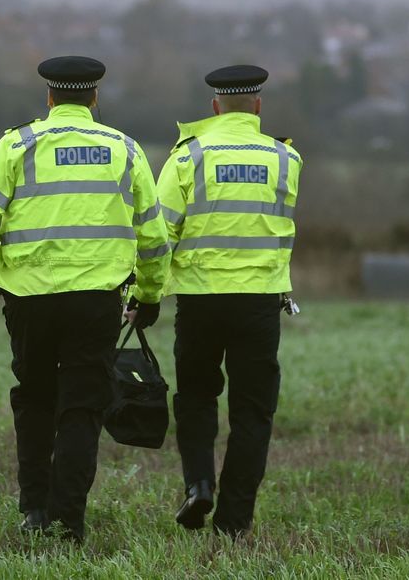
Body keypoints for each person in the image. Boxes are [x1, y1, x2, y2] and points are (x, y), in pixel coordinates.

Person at [0, 56, 170, 542]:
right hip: (97, 300)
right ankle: (68, 520)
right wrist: (150, 293)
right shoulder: (125, 148)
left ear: (49, 98)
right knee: (82, 406)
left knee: (34, 399)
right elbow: (154, 236)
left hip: (29, 297)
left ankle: (34, 508)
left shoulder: (18, 144)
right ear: (94, 99)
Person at [155, 65, 302, 537]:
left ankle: (199, 484)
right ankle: (234, 521)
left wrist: (147, 293)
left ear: (214, 107)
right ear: (257, 107)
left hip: (199, 300)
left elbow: (161, 234)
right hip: (259, 302)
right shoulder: (285, 159)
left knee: (196, 397)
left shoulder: (187, 157)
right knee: (252, 411)